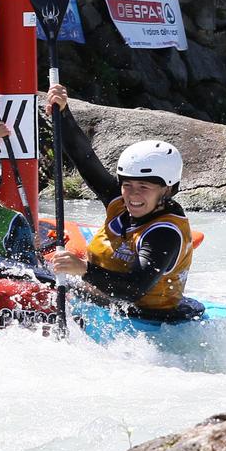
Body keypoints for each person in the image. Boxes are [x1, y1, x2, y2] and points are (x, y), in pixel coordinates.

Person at [45, 84, 194, 315]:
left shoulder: (164, 234)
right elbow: (85, 159)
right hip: (101, 302)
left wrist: (83, 269)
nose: (133, 195)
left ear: (167, 189)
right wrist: (63, 113)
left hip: (148, 323)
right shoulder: (120, 202)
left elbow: (134, 289)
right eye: (127, 185)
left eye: (144, 187)